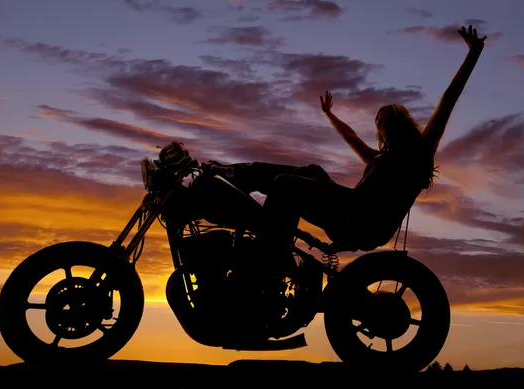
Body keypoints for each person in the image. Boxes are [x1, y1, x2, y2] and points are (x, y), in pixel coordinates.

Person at [208, 25, 487, 258]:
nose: (382, 124)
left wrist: (473, 55)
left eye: (388, 119)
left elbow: (448, 101)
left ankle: (268, 256)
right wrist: (330, 115)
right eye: (378, 122)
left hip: (364, 222)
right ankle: (235, 175)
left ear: (402, 123)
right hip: (351, 213)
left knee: (285, 184)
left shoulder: (419, 152)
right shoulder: (378, 158)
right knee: (313, 172)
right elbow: (351, 136)